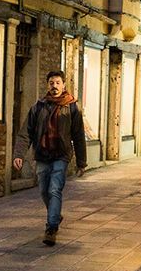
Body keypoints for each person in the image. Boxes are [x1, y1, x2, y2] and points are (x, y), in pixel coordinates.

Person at [13, 70, 87, 246]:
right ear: (48, 85)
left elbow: (78, 136)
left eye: (58, 83)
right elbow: (25, 133)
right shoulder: (38, 107)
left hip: (61, 155)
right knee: (44, 190)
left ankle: (51, 228)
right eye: (51, 83)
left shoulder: (72, 107)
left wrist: (81, 162)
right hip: (42, 155)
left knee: (54, 189)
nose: (54, 86)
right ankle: (55, 214)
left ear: (63, 85)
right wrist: (19, 155)